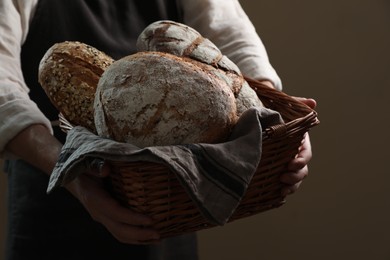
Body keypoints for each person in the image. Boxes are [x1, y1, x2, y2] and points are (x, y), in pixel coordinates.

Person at [0, 0, 316, 259]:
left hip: (170, 191)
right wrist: (76, 178)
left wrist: (276, 129)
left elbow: (234, 46)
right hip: (55, 196)